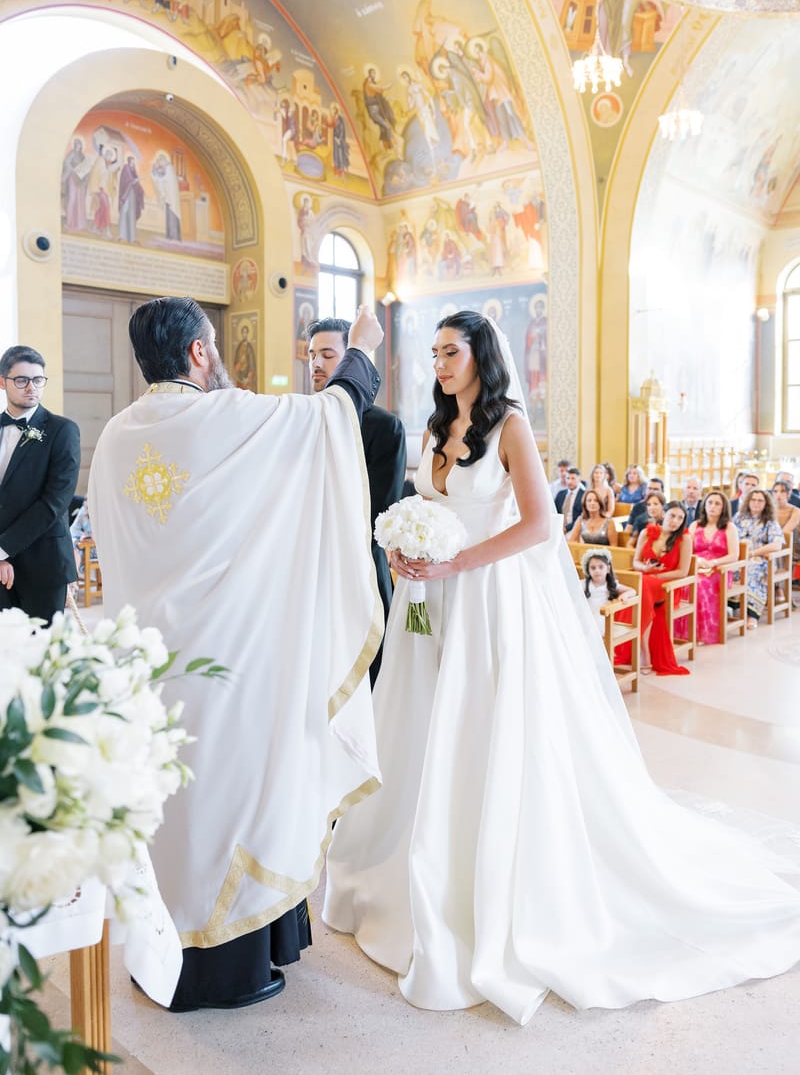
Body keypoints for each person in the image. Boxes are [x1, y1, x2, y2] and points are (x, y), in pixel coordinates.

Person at [323, 311, 800, 1024]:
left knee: (484, 726)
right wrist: (408, 547)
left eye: (451, 352)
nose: (440, 364)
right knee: (423, 726)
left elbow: (539, 526)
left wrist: (454, 561)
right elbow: (426, 503)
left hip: (489, 599)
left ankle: (489, 879)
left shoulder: (509, 425)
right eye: (434, 353)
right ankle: (407, 862)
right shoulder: (431, 430)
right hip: (430, 606)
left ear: (482, 355)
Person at [88, 297, 384, 1013]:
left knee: (171, 805)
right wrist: (366, 349)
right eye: (212, 344)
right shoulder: (226, 419)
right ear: (196, 352)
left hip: (152, 666)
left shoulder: (115, 435)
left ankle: (163, 958)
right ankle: (231, 971)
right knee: (233, 801)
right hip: (227, 661)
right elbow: (331, 419)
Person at [307, 317, 407, 687]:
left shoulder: (383, 427)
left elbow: (381, 513)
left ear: (354, 361)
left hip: (361, 569)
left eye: (328, 355)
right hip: (312, 572)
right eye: (312, 355)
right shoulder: (306, 418)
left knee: (371, 682)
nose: (317, 364)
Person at [0, 345, 80, 624]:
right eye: (21, 380)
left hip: (44, 564)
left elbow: (54, 502)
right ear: (2, 381)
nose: (31, 387)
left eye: (38, 380)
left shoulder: (63, 430)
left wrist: (2, 549)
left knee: (42, 655)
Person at [631, 499, 692, 675]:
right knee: (640, 585)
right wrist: (645, 568)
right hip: (646, 581)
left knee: (643, 584)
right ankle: (640, 648)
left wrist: (656, 575)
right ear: (664, 514)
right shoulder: (646, 533)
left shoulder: (685, 538)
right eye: (672, 515)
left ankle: (644, 653)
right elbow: (636, 561)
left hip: (668, 586)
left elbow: (682, 571)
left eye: (680, 518)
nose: (675, 521)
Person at [687, 490, 740, 645]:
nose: (712, 506)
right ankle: (688, 631)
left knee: (700, 584)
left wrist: (713, 563)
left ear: (723, 507)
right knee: (686, 583)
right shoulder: (695, 525)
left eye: (717, 503)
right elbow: (687, 551)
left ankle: (703, 632)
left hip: (720, 570)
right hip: (698, 565)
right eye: (710, 502)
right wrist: (698, 561)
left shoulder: (729, 528)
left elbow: (734, 556)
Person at [733, 488, 784, 629]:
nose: (756, 503)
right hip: (737, 557)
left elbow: (777, 544)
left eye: (760, 500)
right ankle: (731, 607)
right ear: (748, 501)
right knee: (728, 571)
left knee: (752, 571)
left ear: (766, 503)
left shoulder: (770, 520)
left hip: (760, 559)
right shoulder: (738, 517)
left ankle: (752, 614)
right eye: (753, 500)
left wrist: (753, 553)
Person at [580, 546, 635, 636]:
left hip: (602, 616)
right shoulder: (584, 584)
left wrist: (625, 595)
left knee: (595, 627)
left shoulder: (610, 585)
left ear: (608, 569)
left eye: (601, 567)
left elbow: (632, 591)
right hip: (587, 614)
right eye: (593, 568)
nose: (597, 571)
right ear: (588, 570)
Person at [554, 465, 583, 532]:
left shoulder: (584, 495)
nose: (570, 481)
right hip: (559, 528)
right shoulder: (560, 494)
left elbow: (582, 517)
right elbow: (555, 512)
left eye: (573, 478)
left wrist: (567, 528)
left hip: (576, 529)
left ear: (579, 479)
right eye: (568, 478)